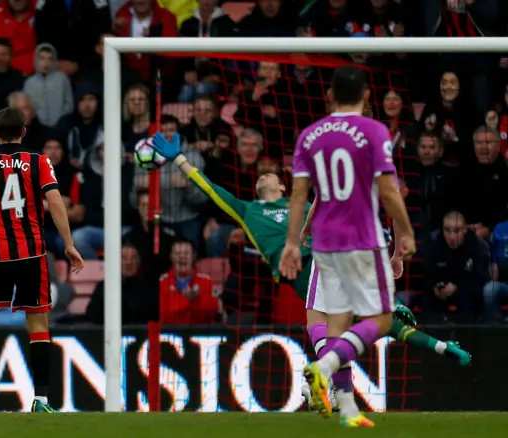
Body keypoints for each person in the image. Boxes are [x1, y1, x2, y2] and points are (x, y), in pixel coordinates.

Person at [151, 130, 470, 378]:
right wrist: (180, 159)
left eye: (270, 173)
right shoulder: (247, 210)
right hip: (299, 270)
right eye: (260, 174)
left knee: (381, 324)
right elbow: (210, 189)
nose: (263, 175)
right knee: (353, 317)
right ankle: (383, 314)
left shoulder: (301, 205)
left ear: (282, 185)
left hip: (327, 259)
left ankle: (442, 347)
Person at [280, 65, 416, 427]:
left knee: (336, 325)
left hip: (324, 243)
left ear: (329, 95)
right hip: (362, 239)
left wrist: (293, 242)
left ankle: (348, 409)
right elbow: (387, 191)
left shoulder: (309, 135)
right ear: (368, 96)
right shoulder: (374, 130)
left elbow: (299, 194)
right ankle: (323, 367)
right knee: (381, 320)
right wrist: (404, 234)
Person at [0, 107, 83, 413]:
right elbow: (55, 201)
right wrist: (68, 243)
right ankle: (41, 400)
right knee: (39, 325)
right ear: (24, 131)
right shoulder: (39, 162)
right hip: (31, 254)